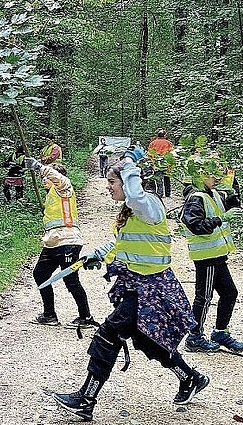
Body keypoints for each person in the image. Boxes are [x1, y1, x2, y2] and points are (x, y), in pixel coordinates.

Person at [50, 147, 208, 422]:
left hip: (153, 289)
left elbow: (135, 194)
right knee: (148, 339)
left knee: (108, 334)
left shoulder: (149, 205)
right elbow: (121, 242)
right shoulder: (132, 212)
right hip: (138, 285)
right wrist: (97, 254)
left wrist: (130, 162)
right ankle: (190, 378)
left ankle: (86, 400)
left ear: (128, 181)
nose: (107, 187)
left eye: (112, 182)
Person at [180, 159, 243, 353]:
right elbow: (196, 226)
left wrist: (232, 185)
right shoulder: (195, 197)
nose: (216, 178)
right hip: (206, 256)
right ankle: (194, 337)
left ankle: (220, 333)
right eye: (212, 174)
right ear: (200, 175)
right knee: (204, 297)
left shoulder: (213, 193)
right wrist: (220, 219)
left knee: (230, 293)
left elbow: (234, 205)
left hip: (218, 255)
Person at [25, 156, 95, 328]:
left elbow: (59, 178)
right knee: (40, 274)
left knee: (71, 280)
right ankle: (49, 315)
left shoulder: (64, 188)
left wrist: (38, 166)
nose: (44, 179)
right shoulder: (52, 195)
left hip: (68, 240)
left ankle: (85, 317)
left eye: (47, 176)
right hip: (52, 242)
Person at [147, 130, 174, 197]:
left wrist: (152, 164)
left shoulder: (152, 143)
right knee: (167, 179)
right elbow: (172, 154)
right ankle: (168, 194)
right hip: (166, 164)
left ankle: (160, 193)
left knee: (159, 179)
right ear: (164, 135)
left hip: (156, 164)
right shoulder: (169, 143)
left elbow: (149, 154)